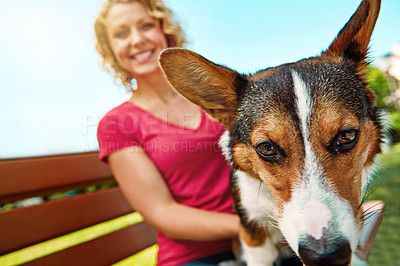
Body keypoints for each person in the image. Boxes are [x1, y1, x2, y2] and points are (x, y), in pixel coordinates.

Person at [94, 0, 240, 265]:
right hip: (194, 257)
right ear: (111, 49)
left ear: (166, 31)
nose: (137, 40)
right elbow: (162, 212)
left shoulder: (211, 94)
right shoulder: (117, 124)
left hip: (267, 238)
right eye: (121, 33)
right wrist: (247, 228)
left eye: (146, 25)